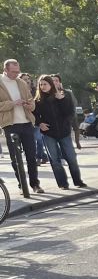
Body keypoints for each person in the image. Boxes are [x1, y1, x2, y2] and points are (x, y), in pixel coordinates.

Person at [33, 74, 87, 189]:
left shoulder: (62, 96)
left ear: (51, 85)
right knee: (55, 160)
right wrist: (39, 123)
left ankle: (78, 181)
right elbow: (34, 116)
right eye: (41, 84)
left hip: (64, 133)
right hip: (48, 134)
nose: (43, 86)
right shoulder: (38, 100)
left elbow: (69, 113)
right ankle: (62, 184)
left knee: (71, 158)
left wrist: (61, 100)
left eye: (45, 84)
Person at [0, 58, 43, 193]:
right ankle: (22, 184)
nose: (16, 74)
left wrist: (30, 105)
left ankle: (35, 184)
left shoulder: (22, 82)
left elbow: (32, 101)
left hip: (26, 123)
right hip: (10, 124)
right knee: (15, 158)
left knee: (31, 155)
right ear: (5, 70)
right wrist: (13, 103)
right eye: (13, 72)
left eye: (18, 71)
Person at [50, 74, 82, 151]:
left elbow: (74, 102)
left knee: (76, 128)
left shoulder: (67, 92)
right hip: (58, 118)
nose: (54, 82)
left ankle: (77, 142)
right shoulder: (48, 94)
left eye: (56, 81)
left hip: (71, 114)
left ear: (60, 82)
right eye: (52, 81)